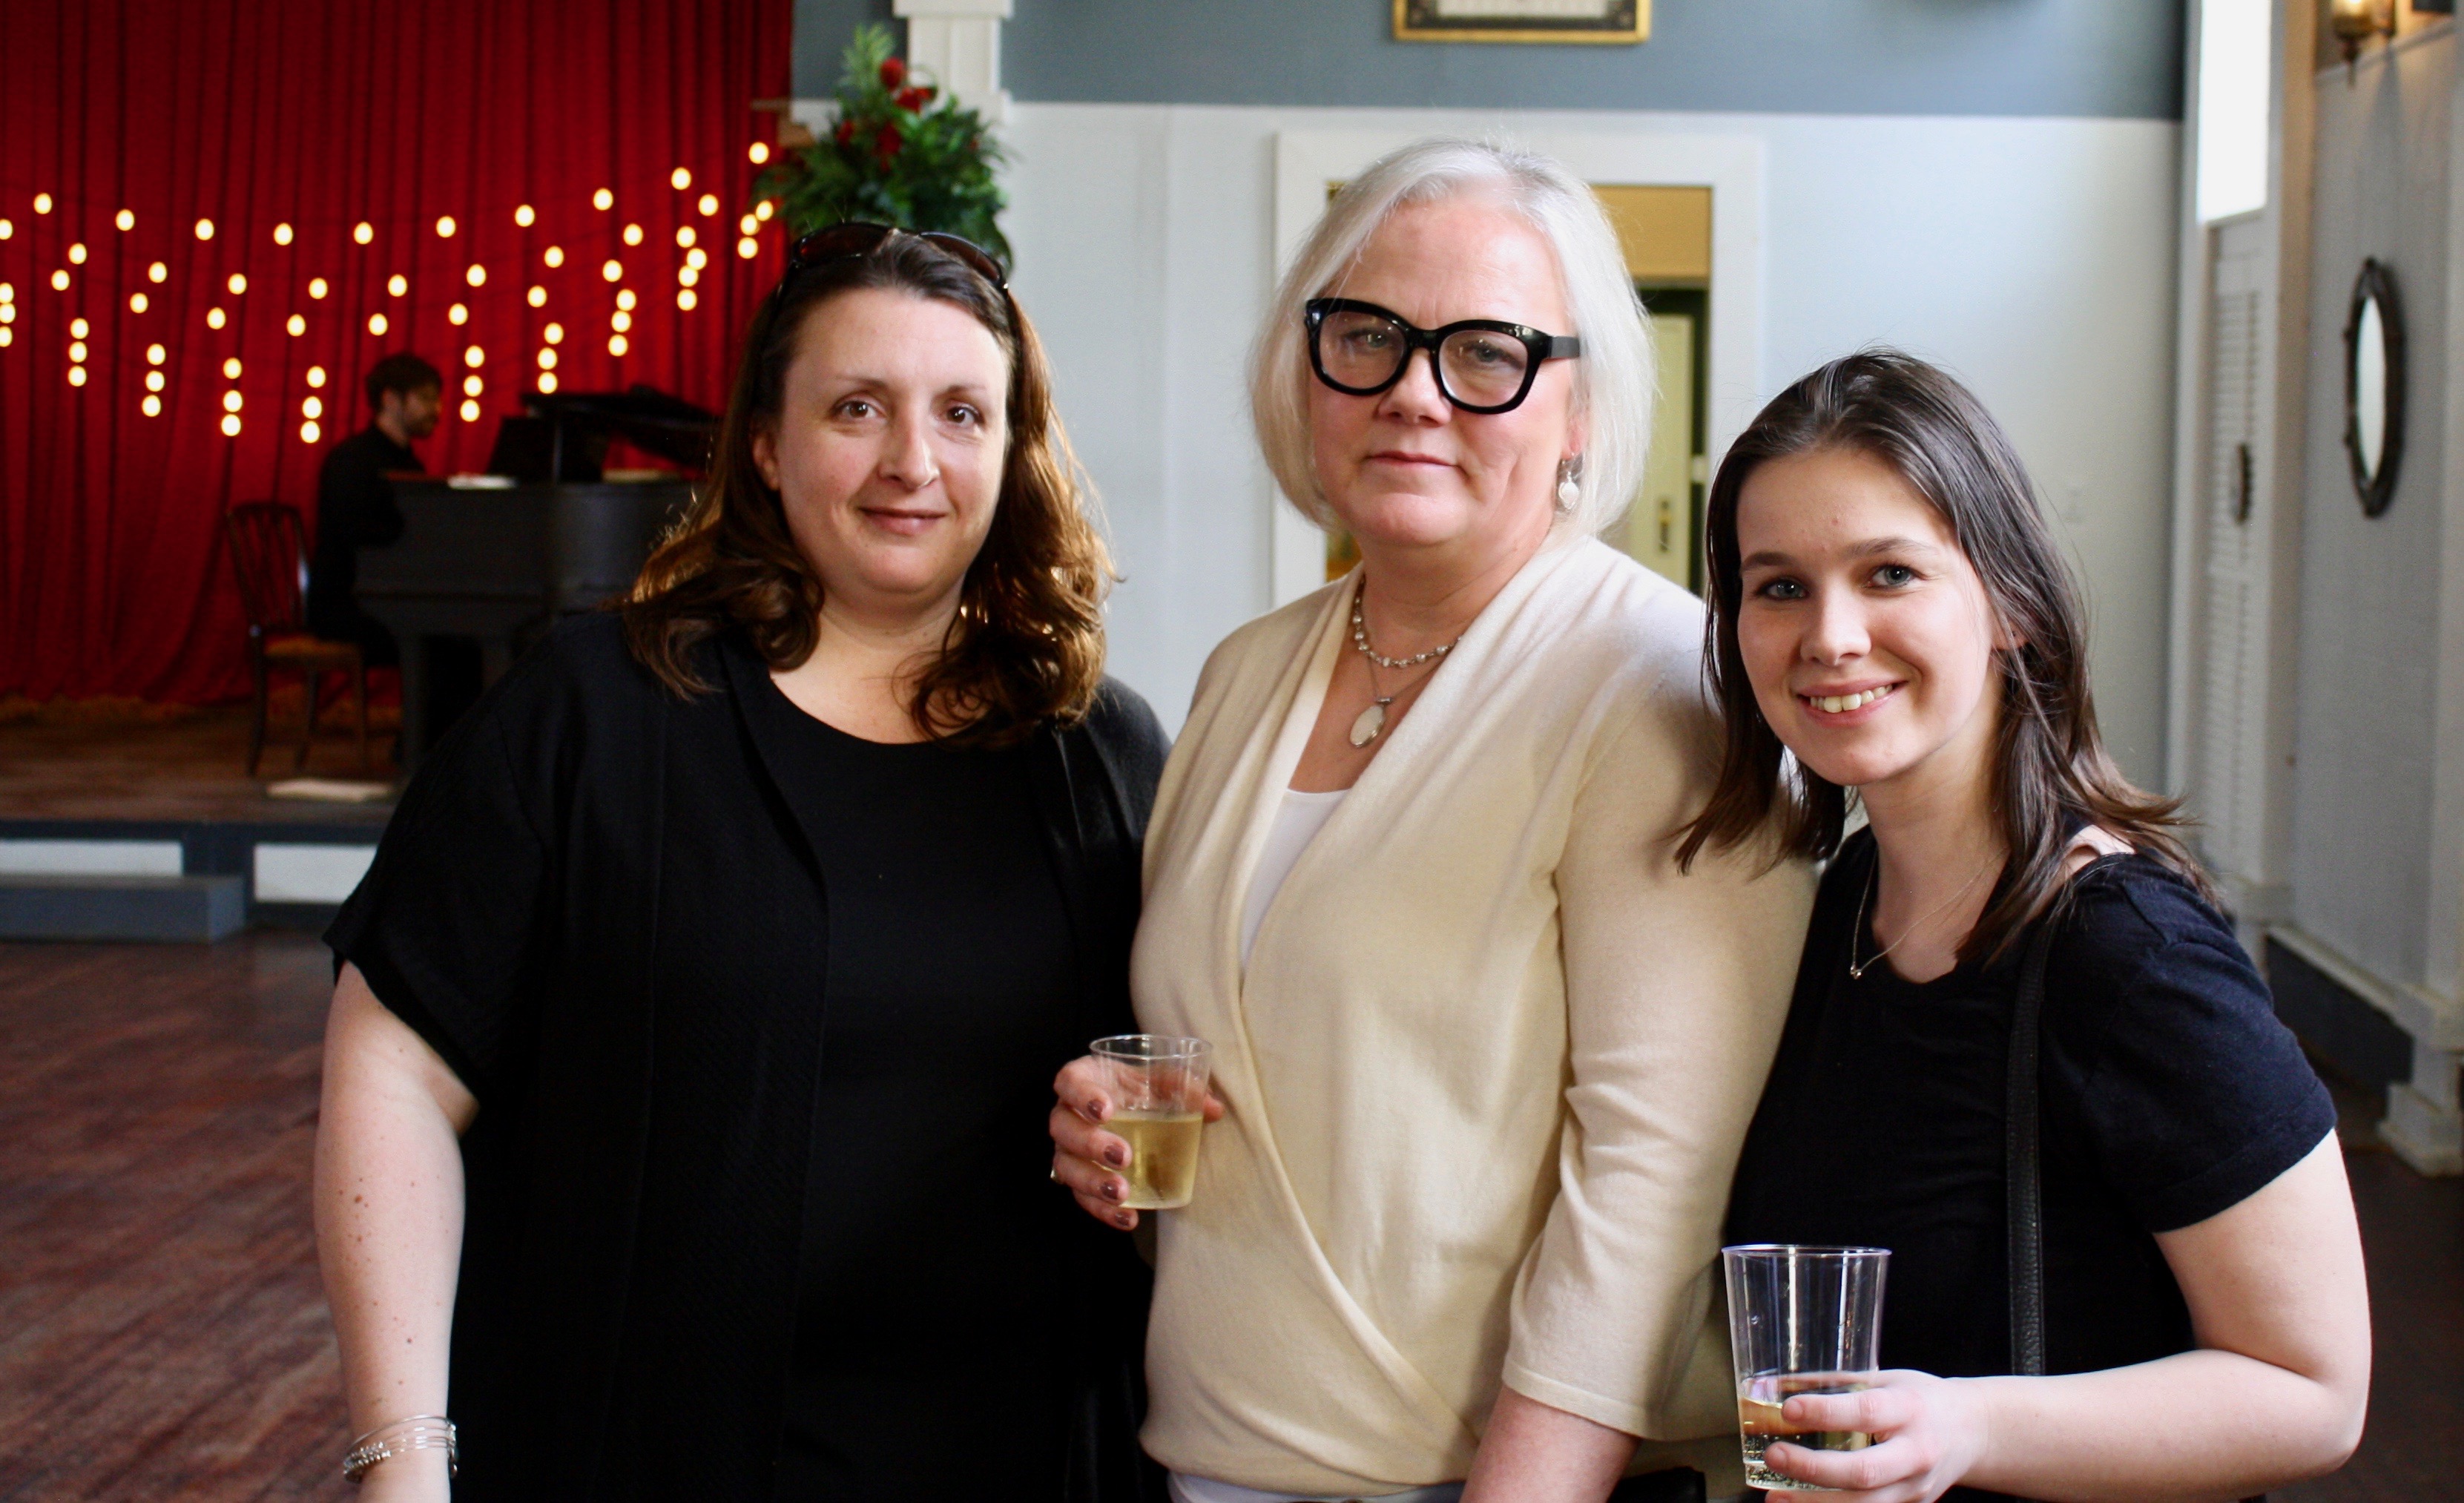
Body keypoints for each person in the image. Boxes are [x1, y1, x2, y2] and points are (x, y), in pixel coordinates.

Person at [313, 224, 1170, 1502]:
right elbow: (394, 1069)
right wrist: (403, 1454)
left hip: (1021, 1452)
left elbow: (1160, 1063)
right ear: (764, 445)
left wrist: (1114, 1114)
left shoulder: (1094, 748)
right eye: (856, 407)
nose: (910, 462)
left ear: (1011, 451)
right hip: (639, 1445)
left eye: (959, 413)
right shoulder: (594, 710)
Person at [1049, 138, 1814, 1503]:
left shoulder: (1657, 689)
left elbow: (1650, 1183)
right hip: (1205, 1451)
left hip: (1468, 1479)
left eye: (1484, 354)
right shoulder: (1244, 672)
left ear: (1576, 406)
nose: (1413, 392)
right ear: (1309, 366)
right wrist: (1112, 1117)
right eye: (1370, 337)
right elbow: (1253, 1044)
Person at [1698, 351, 2370, 1502]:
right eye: (1780, 585)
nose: (1833, 635)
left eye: (1889, 572)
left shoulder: (2128, 955)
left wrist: (1966, 1426)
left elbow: (2313, 1389)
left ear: (2009, 602)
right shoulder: (1842, 900)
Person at [306, 352, 441, 668]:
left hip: (385, 597)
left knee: (455, 632)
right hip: (346, 606)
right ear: (391, 399)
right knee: (445, 638)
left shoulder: (411, 464)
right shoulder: (351, 461)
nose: (436, 410)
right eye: (425, 398)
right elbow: (355, 540)